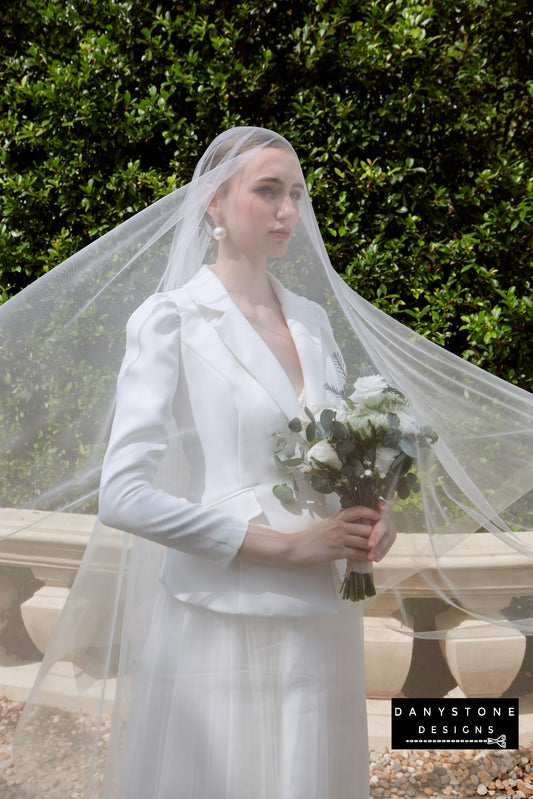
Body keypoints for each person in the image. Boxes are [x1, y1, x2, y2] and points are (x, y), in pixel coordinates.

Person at [4, 127, 533, 798]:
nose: (287, 211)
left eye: (295, 193)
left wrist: (370, 513)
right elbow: (123, 495)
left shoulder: (311, 320)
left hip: (323, 606)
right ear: (213, 204)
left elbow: (338, 446)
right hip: (222, 608)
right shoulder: (171, 320)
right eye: (266, 191)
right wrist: (282, 545)